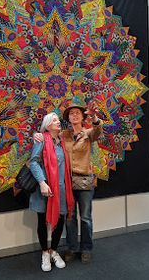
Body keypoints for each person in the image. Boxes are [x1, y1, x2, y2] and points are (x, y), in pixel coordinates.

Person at [34, 101, 102, 264]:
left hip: (85, 181)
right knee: (70, 218)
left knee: (85, 218)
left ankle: (86, 249)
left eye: (78, 112)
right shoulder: (63, 135)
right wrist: (36, 135)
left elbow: (99, 131)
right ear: (68, 118)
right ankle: (71, 248)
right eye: (72, 113)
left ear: (83, 116)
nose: (75, 115)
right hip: (66, 183)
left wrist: (94, 117)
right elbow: (48, 137)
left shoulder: (88, 133)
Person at [29, 112, 74, 272]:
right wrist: (42, 182)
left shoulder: (62, 142)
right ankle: (44, 253)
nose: (58, 122)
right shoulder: (41, 139)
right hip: (44, 189)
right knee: (42, 221)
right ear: (47, 125)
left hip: (61, 189)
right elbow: (33, 162)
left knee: (60, 220)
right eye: (54, 120)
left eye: (58, 120)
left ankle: (54, 251)